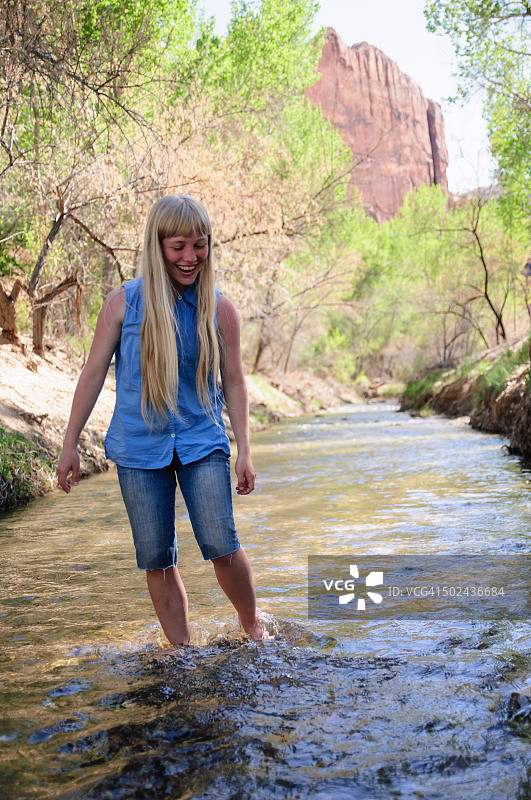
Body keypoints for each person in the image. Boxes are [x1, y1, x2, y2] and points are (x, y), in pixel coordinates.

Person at [57, 194, 266, 645]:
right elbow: (92, 373)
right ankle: (182, 652)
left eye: (200, 245)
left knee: (220, 542)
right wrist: (69, 443)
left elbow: (234, 382)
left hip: (201, 440)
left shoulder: (220, 311)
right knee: (156, 556)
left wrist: (245, 450)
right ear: (157, 246)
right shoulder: (121, 305)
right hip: (138, 446)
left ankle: (255, 630)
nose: (190, 257)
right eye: (178, 246)